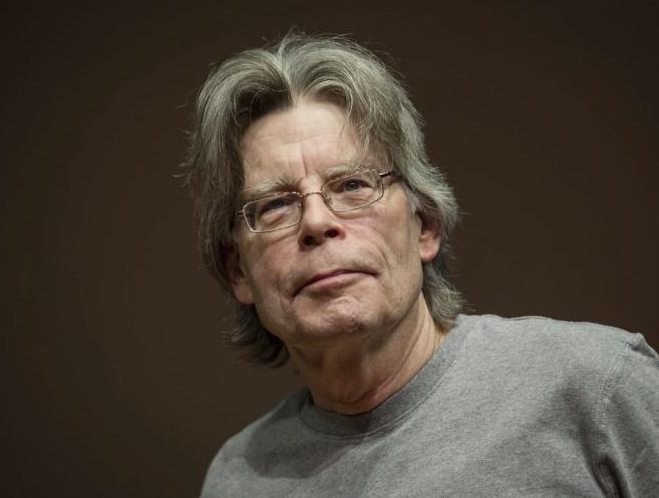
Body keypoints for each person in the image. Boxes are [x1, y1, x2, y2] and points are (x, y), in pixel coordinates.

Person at [185, 32, 659, 497]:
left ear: (425, 226)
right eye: (275, 206)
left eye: (352, 185)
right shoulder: (237, 480)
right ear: (238, 272)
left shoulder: (597, 388)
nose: (316, 221)